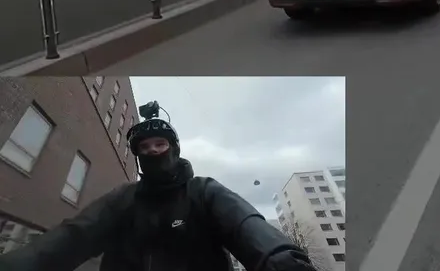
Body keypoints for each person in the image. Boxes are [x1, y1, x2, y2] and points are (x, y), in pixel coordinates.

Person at [0, 102, 318, 271]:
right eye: (144, 147)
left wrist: (284, 261)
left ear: (174, 149)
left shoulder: (204, 192)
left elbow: (247, 227)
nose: (152, 151)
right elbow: (71, 237)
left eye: (160, 144)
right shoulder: (122, 199)